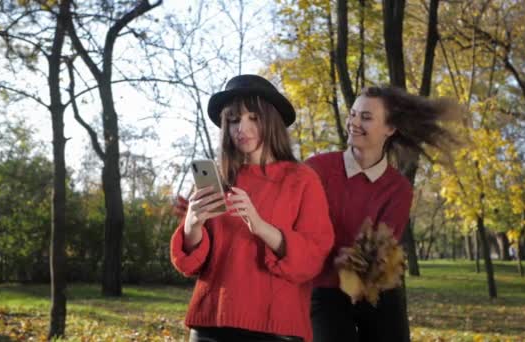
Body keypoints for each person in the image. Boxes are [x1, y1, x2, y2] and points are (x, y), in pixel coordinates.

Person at [170, 74, 334, 342]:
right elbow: (193, 264)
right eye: (233, 120)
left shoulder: (302, 179)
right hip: (210, 324)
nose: (241, 128)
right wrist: (192, 226)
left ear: (271, 121)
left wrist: (260, 227)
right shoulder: (219, 179)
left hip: (275, 328)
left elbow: (313, 259)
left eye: (252, 118)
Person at [306, 85, 460, 342]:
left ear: (390, 128)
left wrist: (362, 259)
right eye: (353, 114)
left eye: (366, 117)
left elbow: (381, 248)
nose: (354, 123)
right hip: (323, 288)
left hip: (373, 288)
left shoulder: (398, 189)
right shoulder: (316, 169)